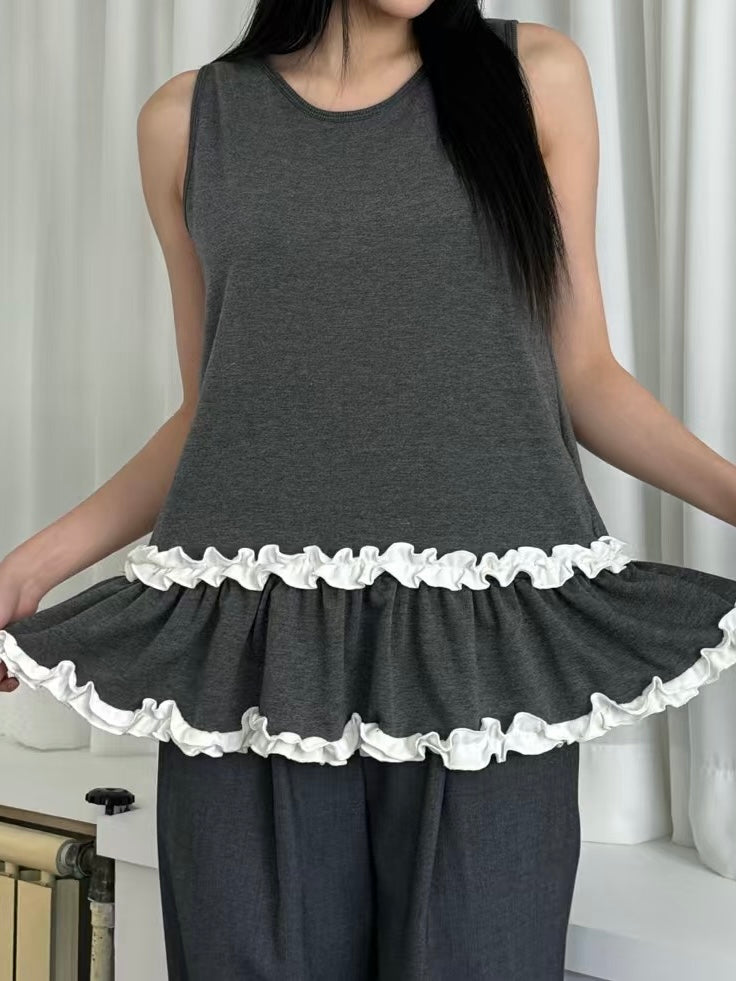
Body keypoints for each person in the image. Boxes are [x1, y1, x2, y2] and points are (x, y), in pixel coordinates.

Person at [2, 2, 736, 978]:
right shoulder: (186, 123)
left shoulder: (534, 77)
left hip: (482, 656)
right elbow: (214, 413)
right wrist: (31, 567)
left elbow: (584, 373)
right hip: (251, 661)